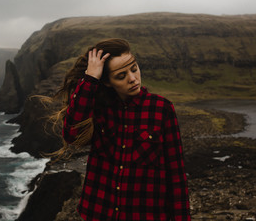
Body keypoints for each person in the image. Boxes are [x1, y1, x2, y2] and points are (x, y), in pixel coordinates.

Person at [49, 38, 190, 220]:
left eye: (134, 69)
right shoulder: (99, 110)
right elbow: (71, 135)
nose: (132, 79)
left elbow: (176, 175)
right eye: (121, 76)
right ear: (108, 82)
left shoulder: (162, 109)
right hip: (99, 214)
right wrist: (90, 79)